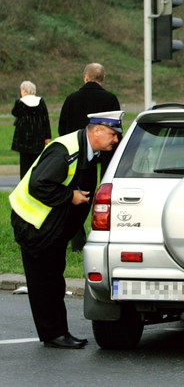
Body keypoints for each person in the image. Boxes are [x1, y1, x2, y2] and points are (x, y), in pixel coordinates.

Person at [8, 110, 124, 349]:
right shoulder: (65, 152)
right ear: (97, 130)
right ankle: (54, 334)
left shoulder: (89, 150)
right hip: (34, 224)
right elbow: (38, 184)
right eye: (113, 134)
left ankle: (56, 332)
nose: (115, 140)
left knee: (53, 279)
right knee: (44, 281)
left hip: (52, 225)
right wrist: (69, 196)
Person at [58, 63, 120, 251]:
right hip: (105, 153)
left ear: (85, 77)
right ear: (102, 78)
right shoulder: (110, 99)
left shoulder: (71, 99)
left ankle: (77, 239)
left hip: (77, 153)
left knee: (79, 195)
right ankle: (101, 231)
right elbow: (117, 128)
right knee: (100, 194)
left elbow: (63, 128)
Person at [11, 80, 52, 178]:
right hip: (38, 137)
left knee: (24, 165)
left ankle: (24, 186)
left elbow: (14, 112)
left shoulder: (19, 102)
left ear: (24, 90)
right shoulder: (41, 101)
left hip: (23, 138)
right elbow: (45, 119)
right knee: (37, 164)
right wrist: (48, 137)